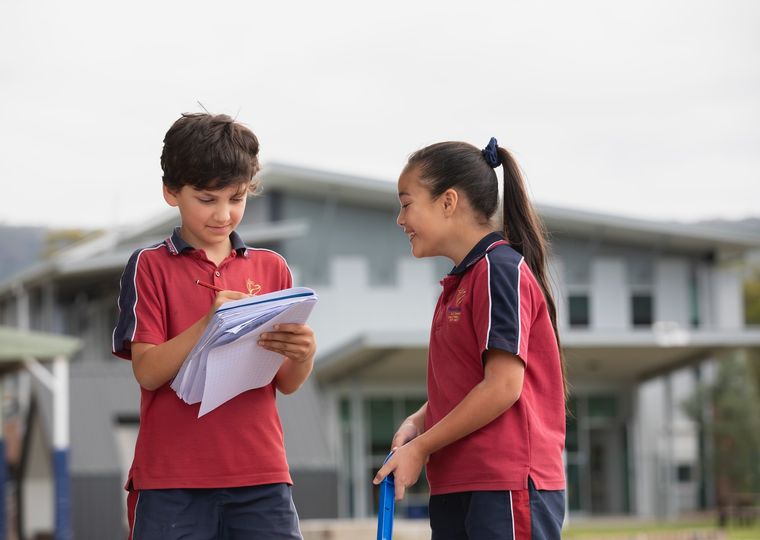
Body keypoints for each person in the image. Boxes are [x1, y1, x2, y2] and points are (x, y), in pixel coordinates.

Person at [112, 112, 316, 540]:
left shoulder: (272, 267)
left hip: (262, 474)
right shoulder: (148, 266)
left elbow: (287, 383)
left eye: (236, 198)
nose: (223, 214)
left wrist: (304, 354)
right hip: (171, 480)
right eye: (207, 199)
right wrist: (210, 322)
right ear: (171, 192)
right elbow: (147, 371)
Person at [373, 138, 566, 539]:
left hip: (504, 484)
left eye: (407, 203)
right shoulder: (460, 282)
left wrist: (422, 446)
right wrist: (419, 421)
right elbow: (471, 381)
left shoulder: (499, 271)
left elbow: (502, 386)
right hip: (460, 483)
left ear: (448, 202)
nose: (399, 219)